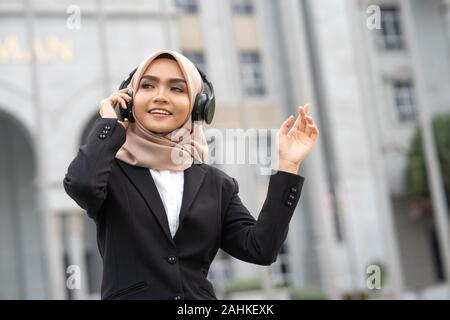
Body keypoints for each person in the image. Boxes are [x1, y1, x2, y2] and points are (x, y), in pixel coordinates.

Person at [63, 49, 319, 300]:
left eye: (177, 89)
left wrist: (288, 164)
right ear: (129, 100)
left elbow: (261, 248)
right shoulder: (109, 171)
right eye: (148, 86)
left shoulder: (217, 184)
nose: (161, 97)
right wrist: (109, 124)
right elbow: (82, 185)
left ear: (198, 106)